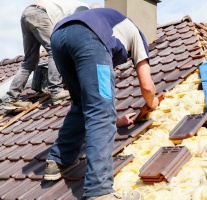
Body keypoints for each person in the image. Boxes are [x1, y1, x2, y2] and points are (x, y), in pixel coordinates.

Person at [44, 7, 159, 200]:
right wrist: (152, 102)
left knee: (82, 102)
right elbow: (147, 86)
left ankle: (58, 161)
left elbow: (91, 97)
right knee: (101, 113)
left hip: (58, 37)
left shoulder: (109, 21)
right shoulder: (137, 35)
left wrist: (116, 120)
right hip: (89, 36)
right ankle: (99, 191)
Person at [3, 0, 91, 111]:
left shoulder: (69, 7)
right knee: (54, 50)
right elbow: (77, 30)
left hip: (28, 13)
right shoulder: (84, 8)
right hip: (39, 13)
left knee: (30, 61)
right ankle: (56, 90)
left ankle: (11, 97)